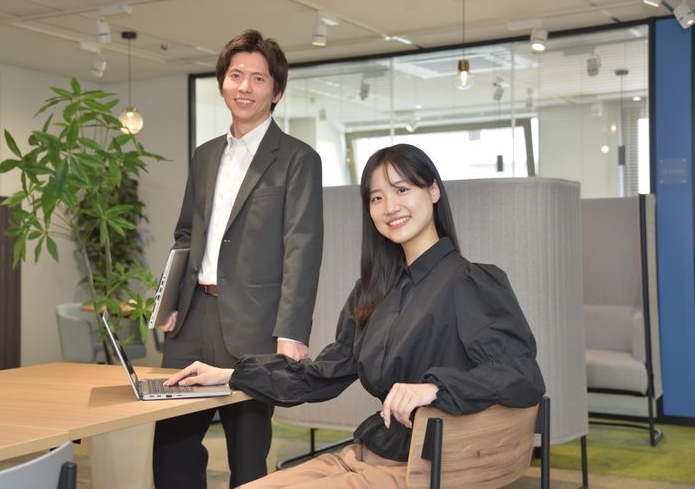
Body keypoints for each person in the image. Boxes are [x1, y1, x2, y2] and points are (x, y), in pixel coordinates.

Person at [164, 144, 546, 488]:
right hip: (368, 452)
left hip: (424, 467)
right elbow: (319, 375)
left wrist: (434, 388)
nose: (390, 207)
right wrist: (230, 374)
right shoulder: (372, 293)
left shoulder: (469, 282)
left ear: (433, 191)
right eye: (377, 198)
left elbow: (521, 374)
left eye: (402, 190)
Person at [152, 29, 324, 489]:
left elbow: (302, 247)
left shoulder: (298, 159)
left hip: (255, 325)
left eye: (258, 78)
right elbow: (185, 234)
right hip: (191, 318)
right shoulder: (205, 155)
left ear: (276, 91)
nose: (244, 87)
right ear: (222, 83)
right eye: (235, 75)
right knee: (171, 447)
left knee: (247, 455)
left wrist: (291, 332)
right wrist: (169, 301)